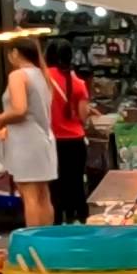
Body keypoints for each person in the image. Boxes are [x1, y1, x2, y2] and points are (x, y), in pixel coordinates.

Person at [0, 40, 56, 228]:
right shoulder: (42, 75)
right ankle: (46, 237)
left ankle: (32, 241)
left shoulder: (18, 75)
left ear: (15, 53)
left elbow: (19, 109)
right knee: (43, 194)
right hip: (43, 138)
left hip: (25, 140)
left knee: (30, 195)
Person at [43, 39, 92, 223]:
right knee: (76, 182)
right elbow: (83, 115)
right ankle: (77, 218)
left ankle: (56, 221)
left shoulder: (43, 78)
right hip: (75, 140)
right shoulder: (78, 82)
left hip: (51, 140)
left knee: (55, 184)